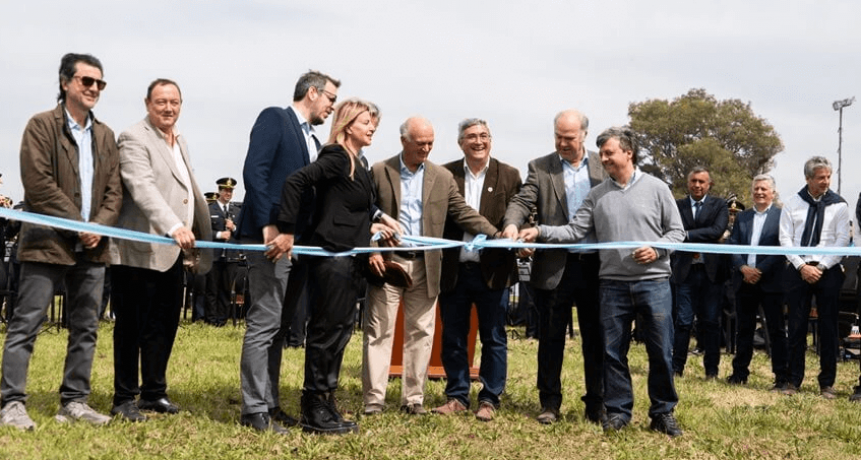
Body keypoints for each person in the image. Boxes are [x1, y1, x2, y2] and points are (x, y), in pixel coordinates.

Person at [519, 126, 685, 437]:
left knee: (660, 350)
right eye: (603, 153)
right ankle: (619, 411)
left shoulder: (658, 188)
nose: (604, 159)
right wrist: (539, 231)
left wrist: (657, 248)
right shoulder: (597, 195)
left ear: (628, 153)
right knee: (612, 352)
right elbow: (572, 231)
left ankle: (662, 413)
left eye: (609, 153)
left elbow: (677, 232)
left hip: (654, 282)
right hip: (612, 284)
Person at [0, 53, 121, 430]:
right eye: (88, 81)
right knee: (27, 323)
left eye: (100, 83)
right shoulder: (40, 126)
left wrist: (98, 226)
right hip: (47, 243)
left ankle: (74, 401)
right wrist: (78, 224)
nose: (95, 89)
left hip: (93, 247)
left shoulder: (104, 135)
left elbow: (114, 192)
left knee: (86, 326)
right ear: (66, 82)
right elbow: (38, 185)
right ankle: (11, 404)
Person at [272, 98, 397, 434]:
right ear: (347, 124)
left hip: (350, 259)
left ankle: (327, 401)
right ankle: (313, 407)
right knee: (327, 334)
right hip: (332, 260)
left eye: (374, 123)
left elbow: (355, 206)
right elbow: (295, 182)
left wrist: (378, 220)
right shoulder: (336, 156)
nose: (372, 128)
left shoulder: (359, 161)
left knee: (340, 333)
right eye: (366, 122)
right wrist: (286, 229)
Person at [363, 116, 499, 416]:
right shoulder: (379, 171)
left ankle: (413, 400)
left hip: (426, 265)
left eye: (430, 143)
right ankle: (374, 401)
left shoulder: (441, 177)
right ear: (403, 141)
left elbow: (462, 212)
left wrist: (496, 234)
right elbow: (365, 212)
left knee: (421, 334)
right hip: (389, 264)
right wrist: (371, 249)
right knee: (380, 332)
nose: (426, 148)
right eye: (420, 143)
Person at [234, 70, 340, 433]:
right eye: (330, 99)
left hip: (297, 243)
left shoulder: (313, 139)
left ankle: (270, 402)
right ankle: (253, 410)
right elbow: (255, 172)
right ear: (312, 93)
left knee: (279, 326)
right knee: (264, 322)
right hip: (271, 239)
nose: (332, 107)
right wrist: (269, 225)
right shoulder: (275, 118)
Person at [111, 78, 213, 422]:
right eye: (161, 102)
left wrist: (198, 230)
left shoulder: (179, 140)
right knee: (131, 326)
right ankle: (124, 397)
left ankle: (153, 392)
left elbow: (188, 192)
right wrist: (174, 226)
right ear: (147, 103)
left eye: (174, 102)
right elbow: (143, 188)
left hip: (173, 254)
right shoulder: (133, 138)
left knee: (164, 323)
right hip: (140, 250)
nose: (168, 108)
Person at [501, 110, 607, 425]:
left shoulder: (604, 167)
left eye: (569, 137)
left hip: (596, 265)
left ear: (584, 135)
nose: (562, 142)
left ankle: (597, 404)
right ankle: (549, 402)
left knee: (596, 338)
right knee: (550, 338)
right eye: (558, 136)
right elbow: (522, 201)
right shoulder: (540, 167)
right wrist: (511, 224)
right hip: (554, 266)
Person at [432, 119, 521, 422]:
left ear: (490, 140)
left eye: (484, 135)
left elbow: (519, 215)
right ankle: (457, 395)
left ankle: (489, 398)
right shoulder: (444, 174)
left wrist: (519, 234)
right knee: (453, 336)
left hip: (494, 272)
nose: (478, 141)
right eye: (471, 136)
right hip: (454, 269)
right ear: (461, 143)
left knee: (494, 336)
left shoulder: (509, 175)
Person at [778, 156, 849, 398]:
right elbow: (785, 239)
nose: (826, 182)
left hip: (828, 271)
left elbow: (842, 240)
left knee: (829, 328)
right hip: (798, 271)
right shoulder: (792, 203)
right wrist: (801, 266)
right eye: (820, 178)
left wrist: (822, 266)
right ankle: (792, 381)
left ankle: (827, 383)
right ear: (808, 179)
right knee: (796, 326)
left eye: (828, 177)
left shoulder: (839, 205)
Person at [725, 175, 788, 389]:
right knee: (744, 329)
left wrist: (759, 270)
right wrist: (743, 268)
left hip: (770, 282)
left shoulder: (782, 216)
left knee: (776, 330)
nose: (759, 192)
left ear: (773, 192)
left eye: (764, 189)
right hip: (744, 281)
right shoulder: (742, 217)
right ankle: (739, 373)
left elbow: (782, 249)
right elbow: (732, 245)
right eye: (756, 189)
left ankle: (781, 377)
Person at [671, 167, 729, 379]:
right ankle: (676, 368)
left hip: (711, 273)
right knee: (683, 322)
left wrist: (686, 234)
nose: (697, 185)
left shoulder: (720, 205)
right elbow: (673, 233)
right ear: (688, 183)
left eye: (701, 182)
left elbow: (717, 230)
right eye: (693, 181)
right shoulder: (677, 206)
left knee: (711, 322)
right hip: (685, 272)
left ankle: (711, 371)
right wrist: (699, 236)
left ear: (709, 184)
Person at [206, 177, 240, 326]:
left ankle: (222, 320)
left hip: (230, 257)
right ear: (219, 191)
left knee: (226, 290)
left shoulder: (237, 212)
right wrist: (219, 235)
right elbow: (204, 232)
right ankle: (211, 320)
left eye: (230, 190)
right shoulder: (210, 209)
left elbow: (242, 234)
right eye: (225, 190)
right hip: (214, 255)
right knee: (212, 289)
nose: (228, 193)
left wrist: (233, 228)